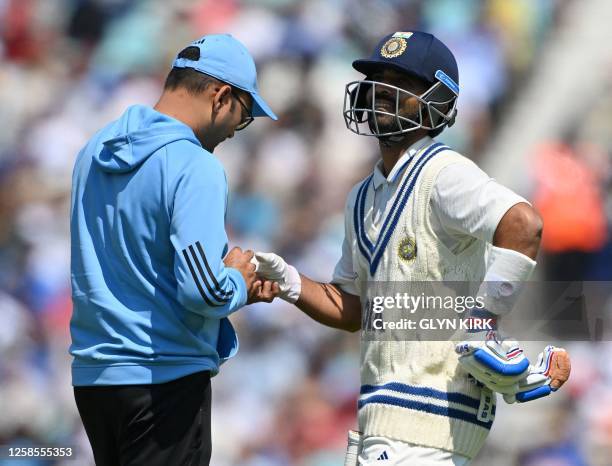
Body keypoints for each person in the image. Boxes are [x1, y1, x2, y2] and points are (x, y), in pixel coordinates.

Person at [253, 31, 570, 465]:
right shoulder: (362, 196)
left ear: (435, 100)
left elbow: (523, 224)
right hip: (383, 424)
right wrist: (288, 282)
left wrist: (484, 319)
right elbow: (352, 309)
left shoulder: (445, 172)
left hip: (428, 423)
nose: (382, 90)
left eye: (401, 81)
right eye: (378, 78)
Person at [69, 34, 278, 466]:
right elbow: (204, 293)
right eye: (243, 116)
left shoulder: (94, 150)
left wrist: (235, 288)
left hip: (94, 379)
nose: (236, 132)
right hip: (163, 382)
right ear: (221, 96)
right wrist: (236, 280)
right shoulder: (195, 164)